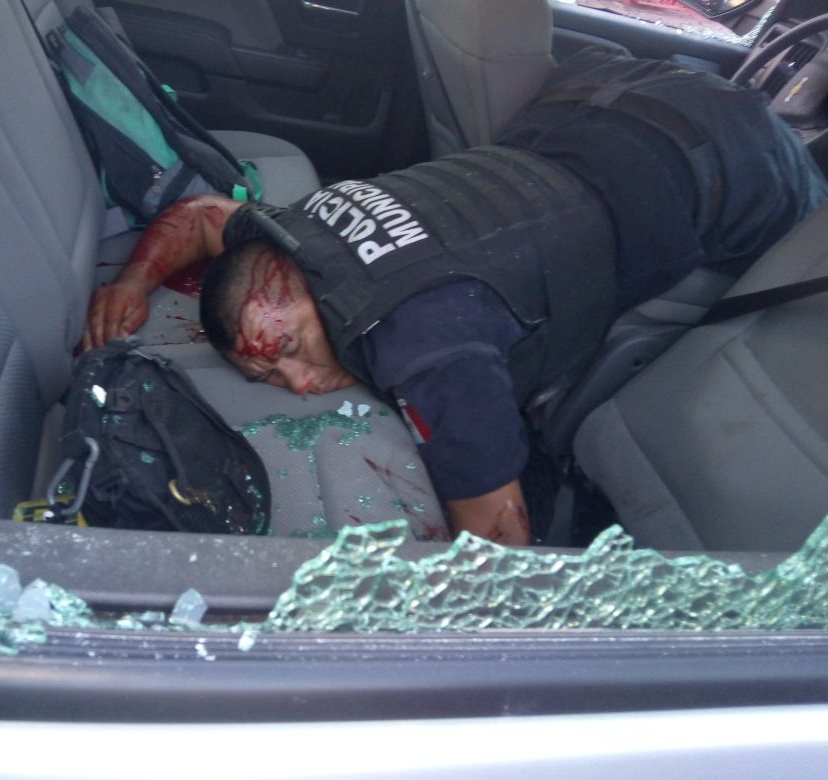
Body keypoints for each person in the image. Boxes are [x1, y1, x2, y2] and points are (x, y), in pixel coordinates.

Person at [81, 49, 828, 544]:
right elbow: (201, 217)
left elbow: (499, 536)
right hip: (598, 99)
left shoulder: (425, 346)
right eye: (272, 377)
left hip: (731, 153)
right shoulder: (297, 230)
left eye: (291, 350)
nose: (302, 384)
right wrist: (133, 281)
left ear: (285, 283)